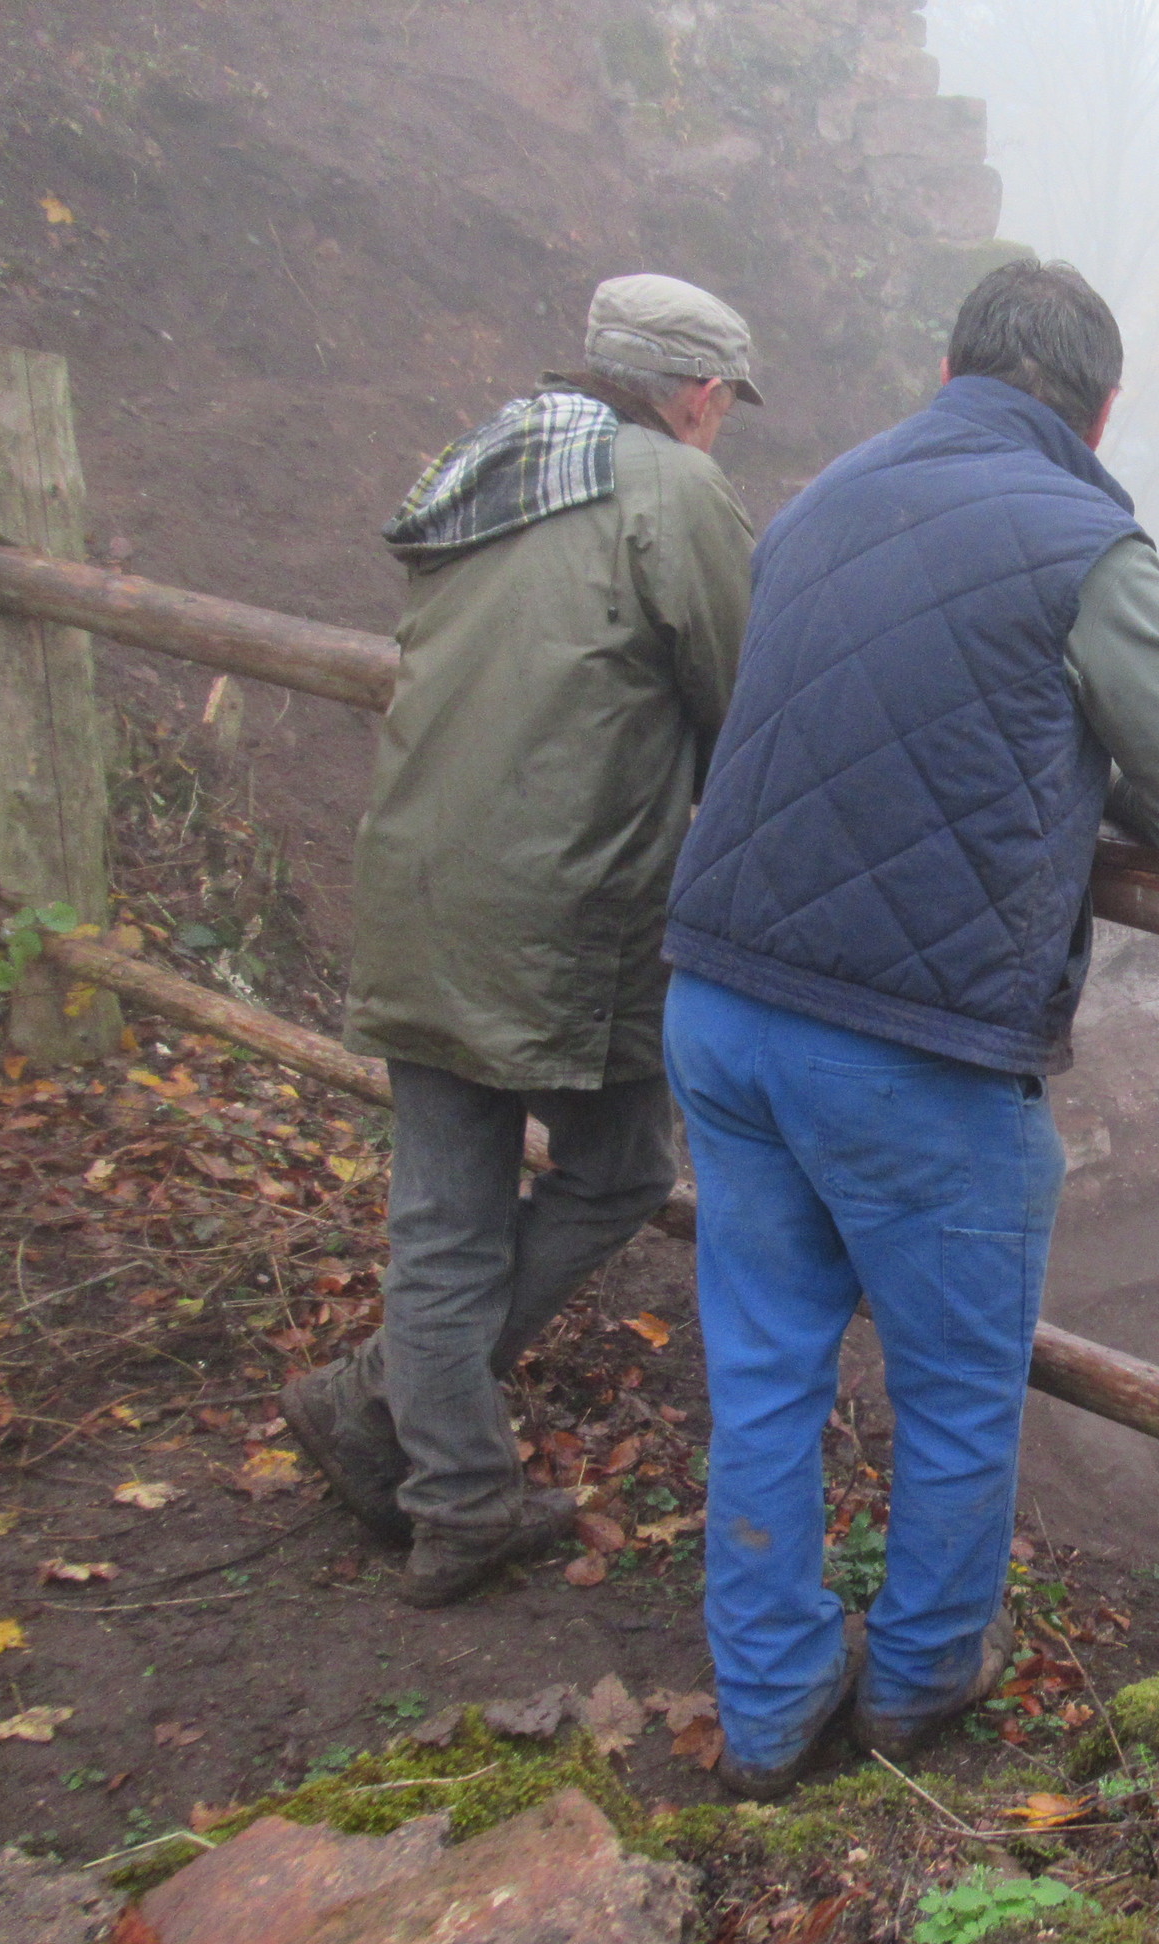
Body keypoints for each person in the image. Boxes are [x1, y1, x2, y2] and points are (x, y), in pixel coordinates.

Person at [660, 259, 1159, 1798]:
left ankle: (769, 1708)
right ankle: (923, 1684)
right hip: (908, 1043)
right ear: (1101, 413)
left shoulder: (816, 502)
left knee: (767, 1368)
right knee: (955, 1386)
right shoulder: (1084, 540)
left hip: (720, 998)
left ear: (949, 374)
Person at [283, 274, 760, 1609]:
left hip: (417, 875)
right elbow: (746, 698)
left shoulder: (488, 457)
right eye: (729, 401)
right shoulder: (675, 489)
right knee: (618, 1168)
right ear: (699, 393)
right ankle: (407, 1430)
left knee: (443, 1219)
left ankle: (439, 1476)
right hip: (562, 907)